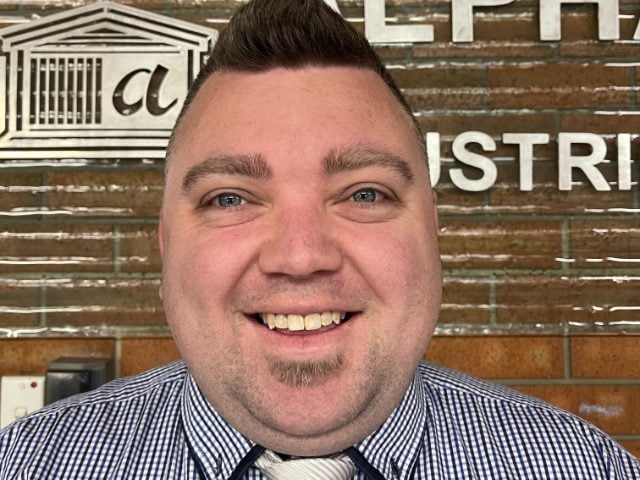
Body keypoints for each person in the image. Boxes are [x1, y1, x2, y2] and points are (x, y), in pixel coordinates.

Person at [1, 0, 639, 478]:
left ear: (432, 233)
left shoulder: (587, 468)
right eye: (230, 198)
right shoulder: (25, 465)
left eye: (364, 194)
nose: (301, 257)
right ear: (167, 245)